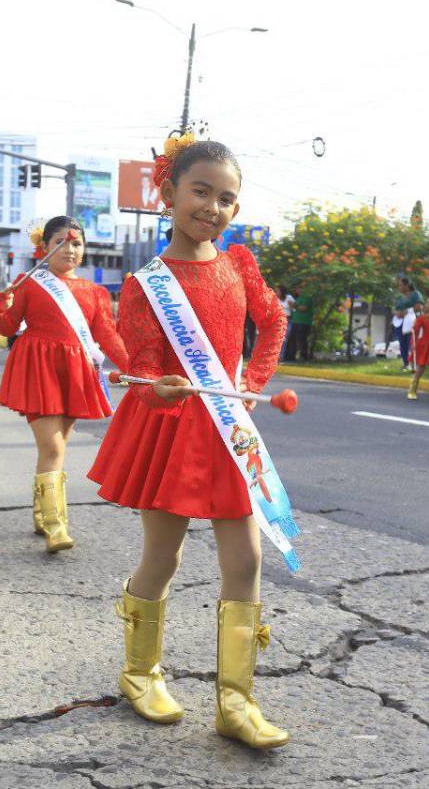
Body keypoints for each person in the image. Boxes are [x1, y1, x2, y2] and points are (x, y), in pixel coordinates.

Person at [87, 135, 291, 750]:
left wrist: (251, 382)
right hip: (172, 429)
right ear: (169, 194)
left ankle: (236, 700)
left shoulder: (240, 266)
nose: (214, 207)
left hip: (227, 427)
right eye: (201, 192)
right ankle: (140, 670)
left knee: (248, 560)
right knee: (165, 557)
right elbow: (140, 367)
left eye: (227, 198)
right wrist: (158, 389)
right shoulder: (148, 282)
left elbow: (273, 320)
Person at [0, 216, 129, 553]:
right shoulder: (30, 282)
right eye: (61, 243)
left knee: (56, 449)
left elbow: (107, 336)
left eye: (76, 243)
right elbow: (8, 327)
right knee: (52, 448)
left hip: (75, 371)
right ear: (45, 248)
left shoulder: (95, 292)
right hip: (39, 370)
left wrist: (134, 367)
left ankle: (41, 513)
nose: (70, 249)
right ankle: (55, 525)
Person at [391, 276, 423, 370]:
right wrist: (397, 313)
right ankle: (406, 364)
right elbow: (393, 308)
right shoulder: (399, 297)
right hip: (399, 322)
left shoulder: (416, 294)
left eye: (400, 285)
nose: (399, 287)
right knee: (402, 344)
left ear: (407, 285)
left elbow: (419, 306)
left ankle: (415, 364)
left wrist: (407, 311)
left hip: (411, 322)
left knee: (412, 343)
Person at [287, 291, 313, 362]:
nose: (296, 290)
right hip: (295, 321)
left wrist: (294, 305)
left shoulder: (306, 297)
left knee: (301, 340)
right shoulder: (298, 298)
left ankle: (303, 357)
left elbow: (304, 308)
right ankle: (291, 357)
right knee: (292, 340)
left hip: (303, 322)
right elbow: (294, 309)